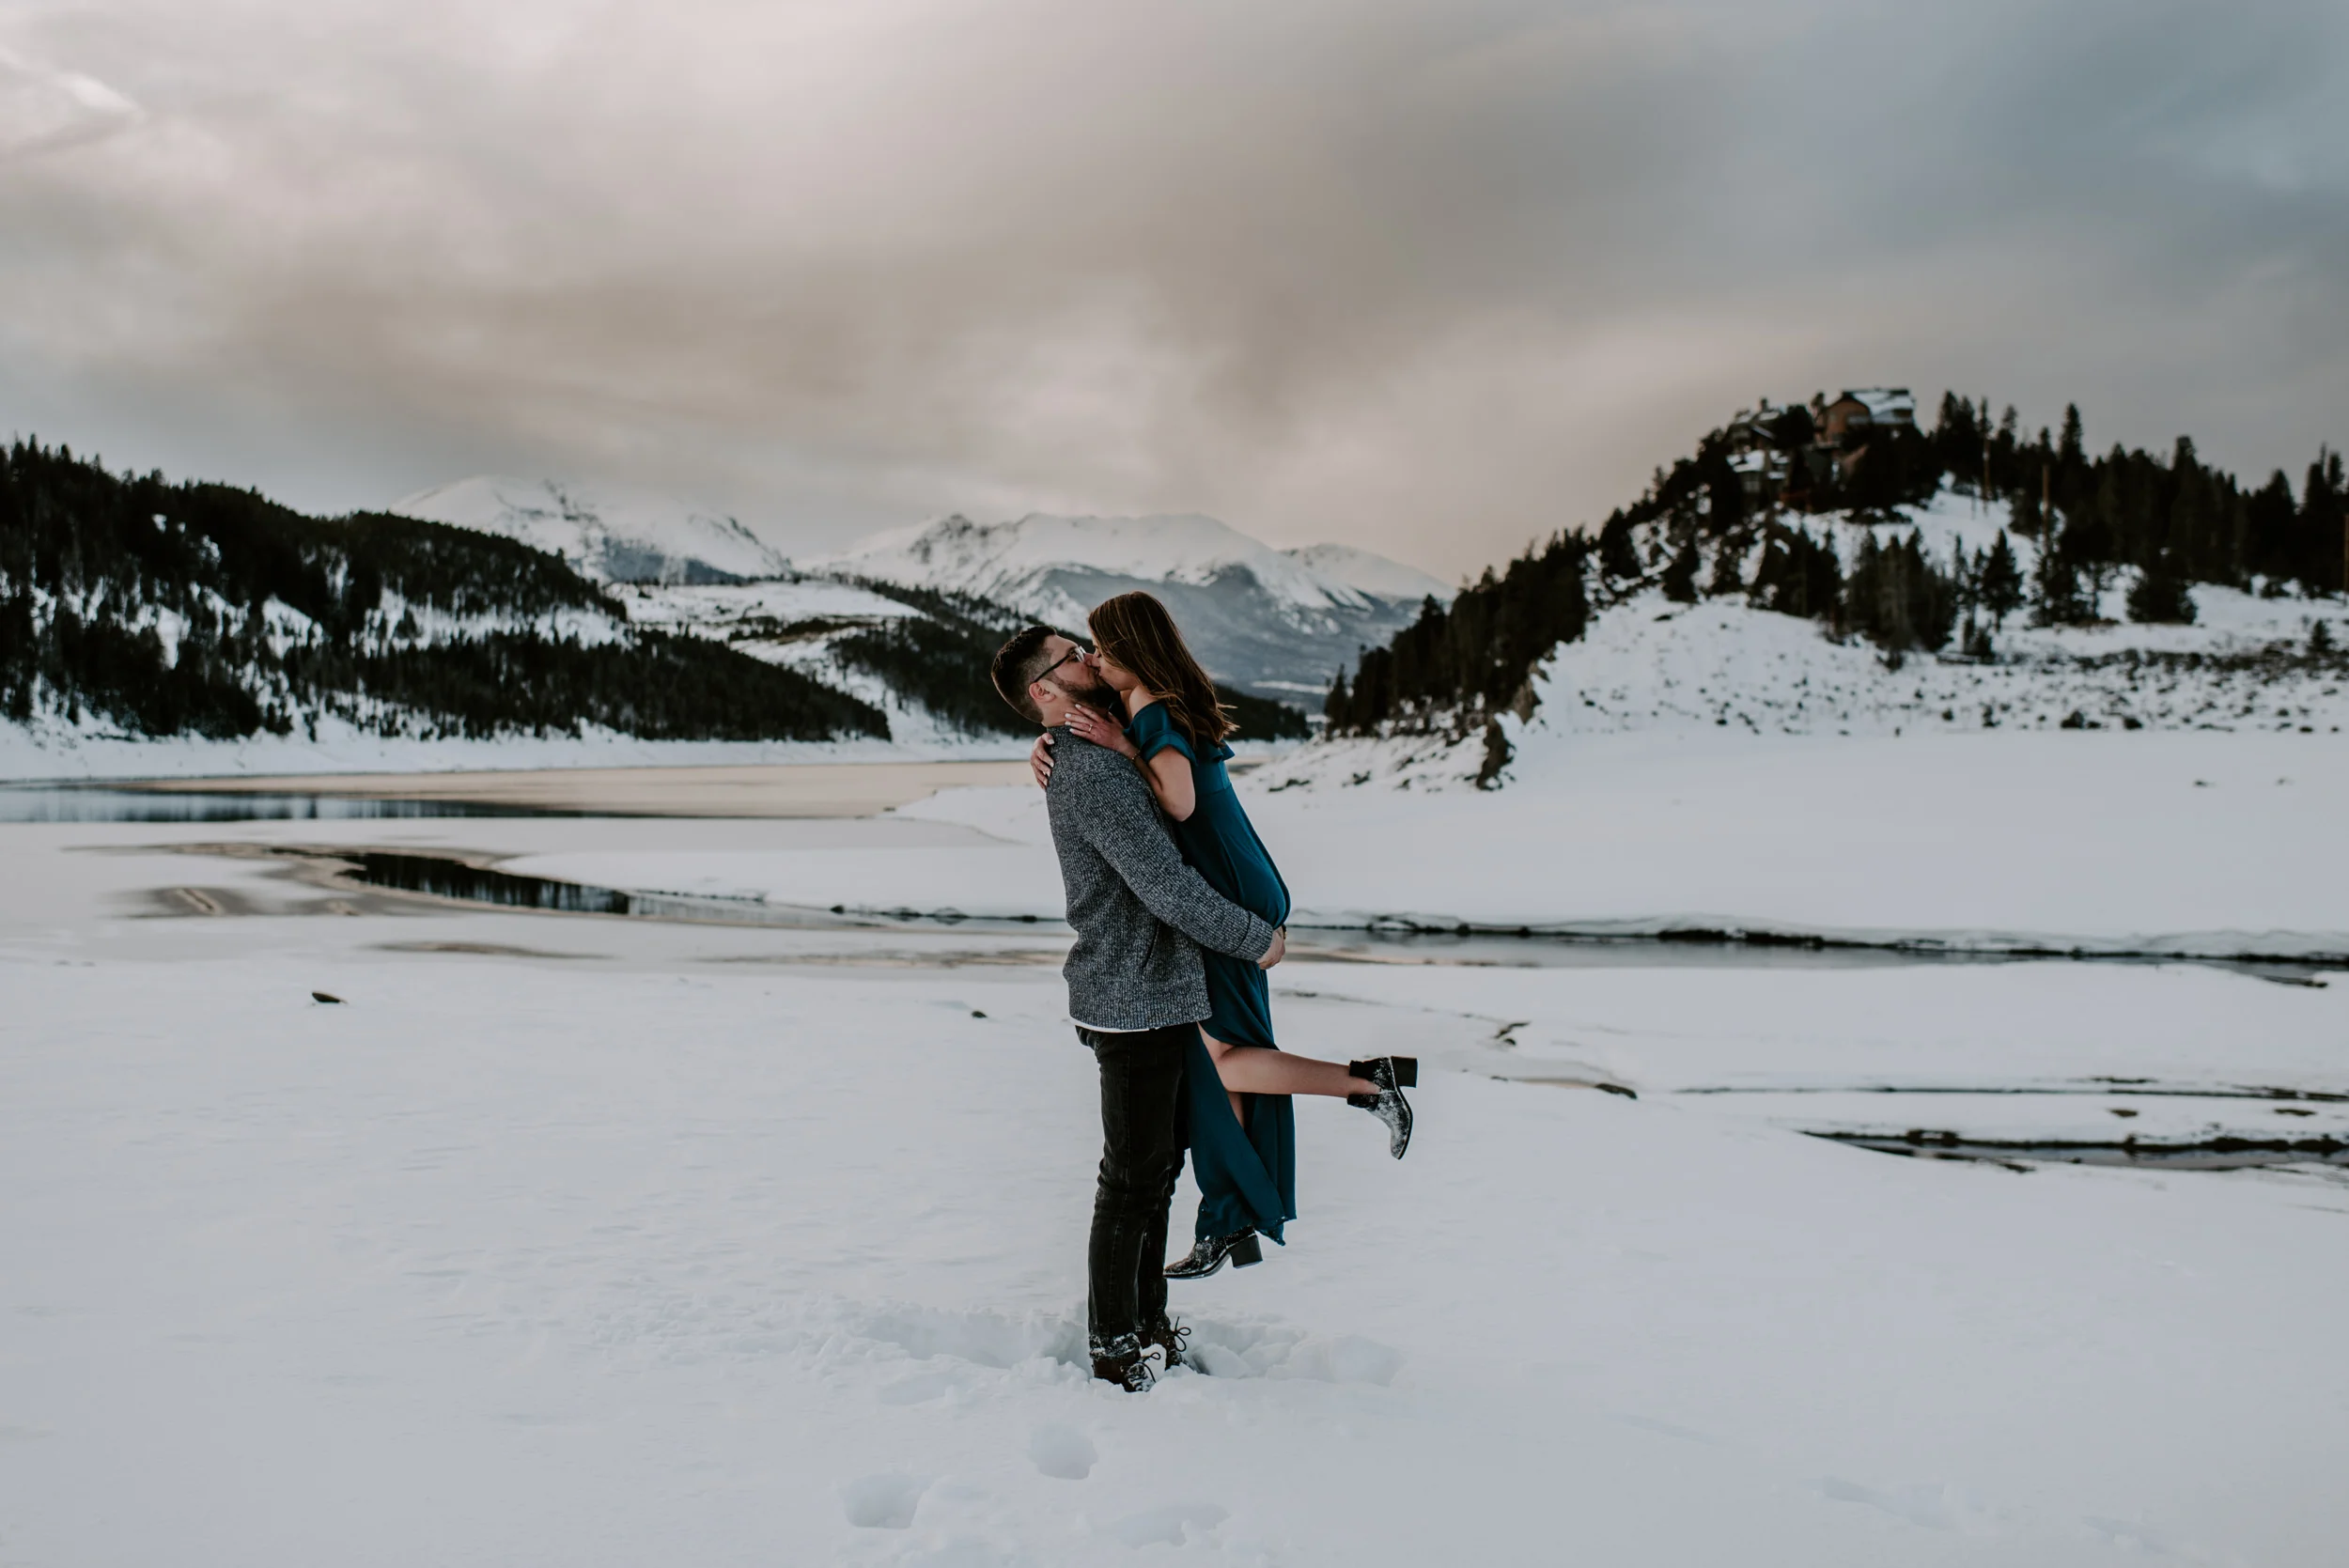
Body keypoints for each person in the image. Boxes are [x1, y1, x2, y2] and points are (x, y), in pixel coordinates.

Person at [1030, 591, 1414, 1282]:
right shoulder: (1146, 698)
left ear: (1134, 652)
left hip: (1225, 892)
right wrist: (1052, 738)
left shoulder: (1149, 708)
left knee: (1224, 1060)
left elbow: (1178, 802)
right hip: (1234, 877)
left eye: (1103, 650)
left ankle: (1367, 1084)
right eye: (1085, 653)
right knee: (1221, 1056)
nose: (1095, 660)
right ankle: (1229, 1215)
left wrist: (1121, 747)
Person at [989, 623, 1284, 1393]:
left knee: (1157, 1171)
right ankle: (1114, 1341)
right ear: (1044, 690)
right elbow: (1165, 887)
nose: (1089, 658)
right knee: (1131, 1179)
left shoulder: (1096, 747)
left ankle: (1148, 1321)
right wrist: (1255, 939)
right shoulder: (1090, 771)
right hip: (1133, 997)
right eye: (1072, 656)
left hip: (1156, 989)